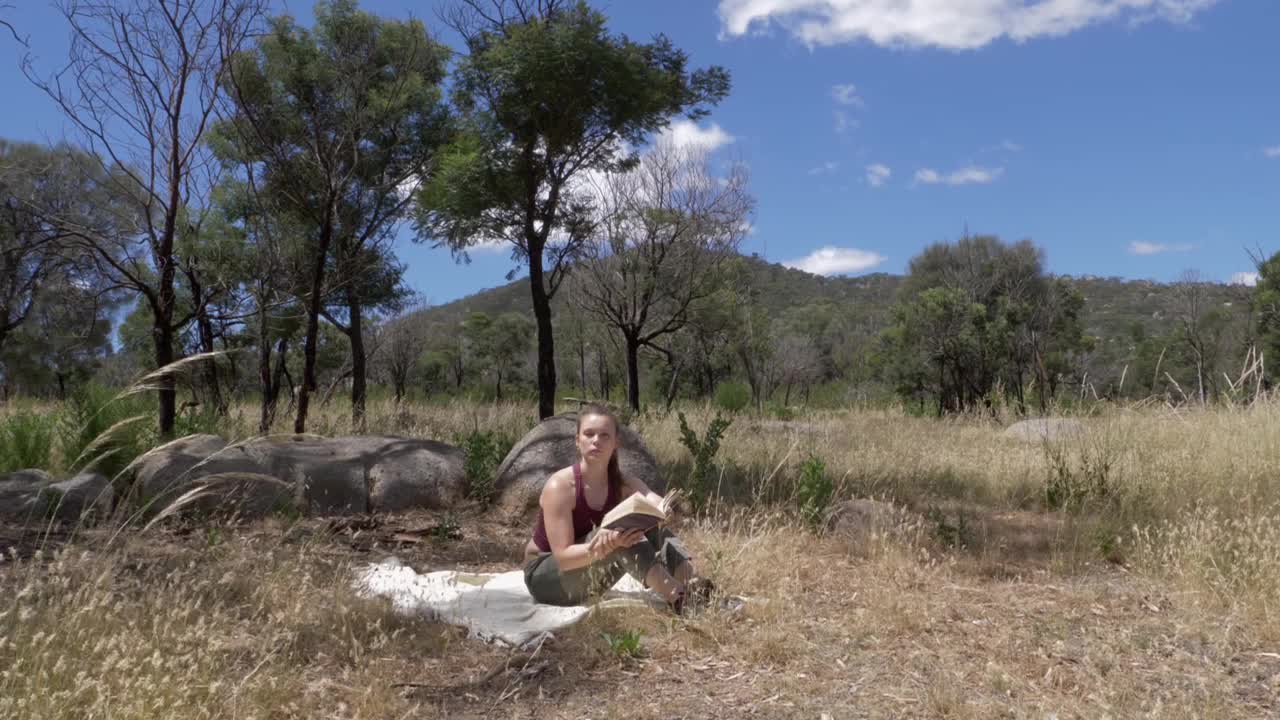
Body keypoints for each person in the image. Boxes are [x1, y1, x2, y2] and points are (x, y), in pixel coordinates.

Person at [522, 404, 711, 612]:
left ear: (615, 444)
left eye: (605, 436)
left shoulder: (623, 483)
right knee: (620, 535)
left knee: (652, 529)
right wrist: (610, 543)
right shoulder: (560, 486)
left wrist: (663, 509)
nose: (596, 441)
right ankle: (678, 598)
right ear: (577, 441)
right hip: (546, 578)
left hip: (589, 569)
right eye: (589, 434)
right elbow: (564, 558)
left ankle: (695, 585)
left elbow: (652, 499)